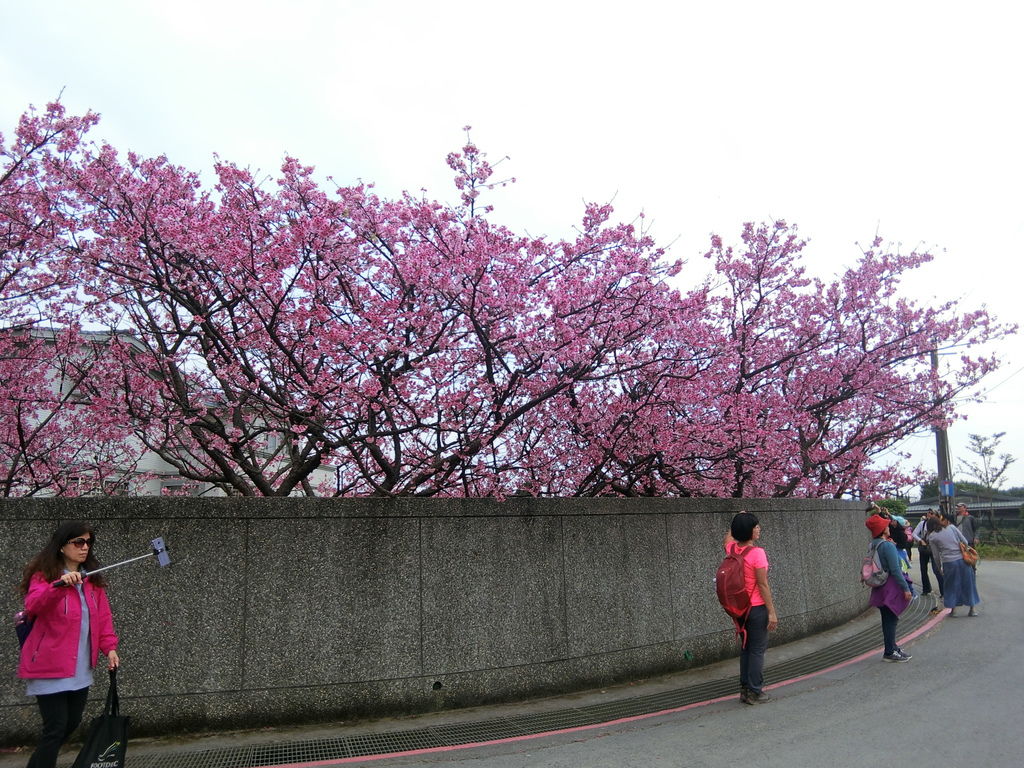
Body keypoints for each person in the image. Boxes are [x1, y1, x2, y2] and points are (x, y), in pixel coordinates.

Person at [17, 521, 120, 768]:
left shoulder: (91, 580)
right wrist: (60, 586)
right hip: (48, 664)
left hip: (80, 666)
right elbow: (34, 605)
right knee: (55, 728)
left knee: (71, 723)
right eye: (78, 542)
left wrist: (110, 648)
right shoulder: (44, 577)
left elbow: (103, 618)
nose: (85, 547)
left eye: (88, 542)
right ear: (62, 547)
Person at [724, 511, 778, 704]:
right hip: (756, 608)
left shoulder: (731, 549)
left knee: (746, 648)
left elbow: (729, 537)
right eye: (755, 526)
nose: (759, 529)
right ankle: (755, 691)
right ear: (749, 531)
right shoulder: (757, 554)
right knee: (756, 650)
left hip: (739, 610)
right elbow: (763, 585)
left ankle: (745, 690)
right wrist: (771, 612)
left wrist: (737, 519)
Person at [865, 514, 913, 662]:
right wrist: (905, 588)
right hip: (890, 586)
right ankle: (890, 651)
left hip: (879, 586)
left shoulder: (873, 544)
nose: (889, 526)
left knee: (887, 618)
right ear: (882, 529)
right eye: (886, 525)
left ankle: (893, 647)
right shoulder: (887, 546)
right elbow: (896, 570)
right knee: (891, 619)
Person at [927, 516, 980, 617]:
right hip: (962, 560)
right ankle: (972, 610)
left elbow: (936, 555)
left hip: (949, 562)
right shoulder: (951, 527)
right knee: (968, 584)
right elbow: (964, 541)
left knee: (951, 586)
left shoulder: (932, 537)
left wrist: (939, 568)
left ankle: (953, 610)